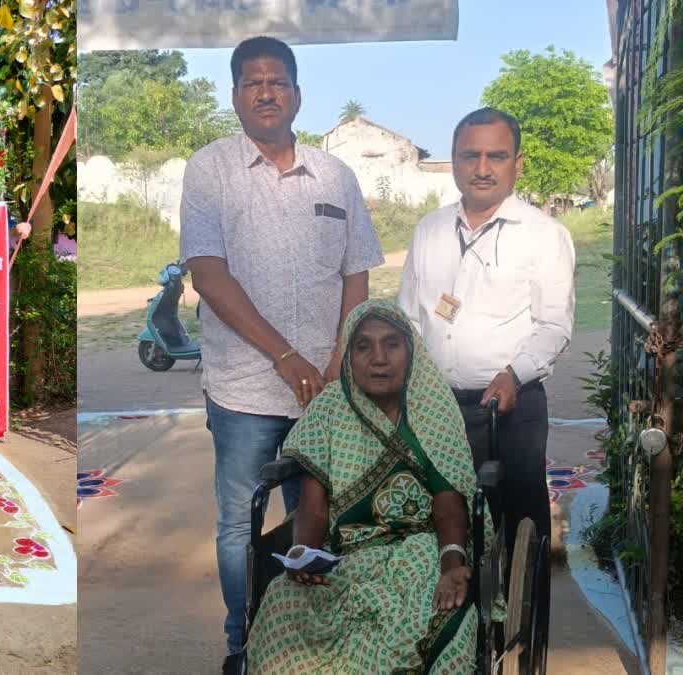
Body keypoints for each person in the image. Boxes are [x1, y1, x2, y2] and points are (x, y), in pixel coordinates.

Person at [179, 36, 385, 671]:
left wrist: (338, 359)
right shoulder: (208, 169)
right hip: (243, 391)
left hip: (326, 392)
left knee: (321, 519)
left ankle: (311, 641)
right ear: (236, 95)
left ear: (297, 93)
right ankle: (243, 645)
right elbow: (208, 275)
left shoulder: (335, 175)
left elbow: (357, 275)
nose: (266, 92)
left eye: (277, 81)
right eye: (251, 82)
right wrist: (284, 356)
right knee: (240, 523)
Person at [397, 107, 575, 642]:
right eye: (470, 155)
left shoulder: (544, 235)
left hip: (511, 405)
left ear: (516, 164)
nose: (482, 167)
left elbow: (553, 325)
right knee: (446, 520)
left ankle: (525, 633)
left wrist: (514, 374)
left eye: (496, 156)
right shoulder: (430, 230)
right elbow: (409, 315)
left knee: (519, 519)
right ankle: (458, 633)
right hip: (436, 405)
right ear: (453, 162)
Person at [245, 300, 486, 674]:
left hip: (421, 549)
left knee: (435, 614)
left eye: (392, 344)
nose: (379, 358)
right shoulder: (329, 410)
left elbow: (449, 497)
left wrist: (451, 562)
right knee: (282, 602)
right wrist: (304, 554)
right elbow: (313, 506)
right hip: (346, 555)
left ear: (410, 351)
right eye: (363, 346)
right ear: (348, 357)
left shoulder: (431, 406)